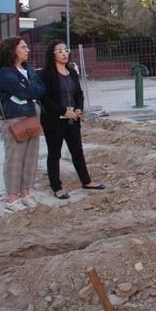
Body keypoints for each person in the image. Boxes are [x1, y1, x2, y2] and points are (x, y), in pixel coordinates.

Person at [40, 40, 104, 199]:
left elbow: (78, 94)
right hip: (54, 120)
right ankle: (56, 187)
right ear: (52, 55)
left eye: (66, 50)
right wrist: (63, 111)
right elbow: (45, 99)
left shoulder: (72, 72)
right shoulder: (46, 74)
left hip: (73, 119)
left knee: (77, 151)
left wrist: (78, 109)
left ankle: (86, 181)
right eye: (60, 51)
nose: (64, 53)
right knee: (54, 154)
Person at [0, 37, 46, 212]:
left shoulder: (28, 69)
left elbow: (42, 89)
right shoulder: (5, 73)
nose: (27, 50)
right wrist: (33, 91)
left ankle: (25, 193)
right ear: (12, 50)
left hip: (32, 116)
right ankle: (12, 199)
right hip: (14, 119)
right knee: (14, 159)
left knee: (31, 157)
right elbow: (24, 93)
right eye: (23, 47)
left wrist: (32, 92)